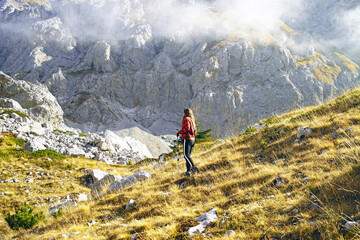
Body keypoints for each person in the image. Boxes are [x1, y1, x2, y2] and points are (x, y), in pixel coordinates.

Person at [176, 108, 199, 176]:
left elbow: (186, 129)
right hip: (192, 139)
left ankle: (193, 167)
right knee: (188, 156)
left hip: (187, 139)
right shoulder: (192, 120)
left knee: (186, 155)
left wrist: (179, 132)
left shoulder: (186, 119)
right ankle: (188, 171)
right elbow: (194, 131)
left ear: (184, 113)